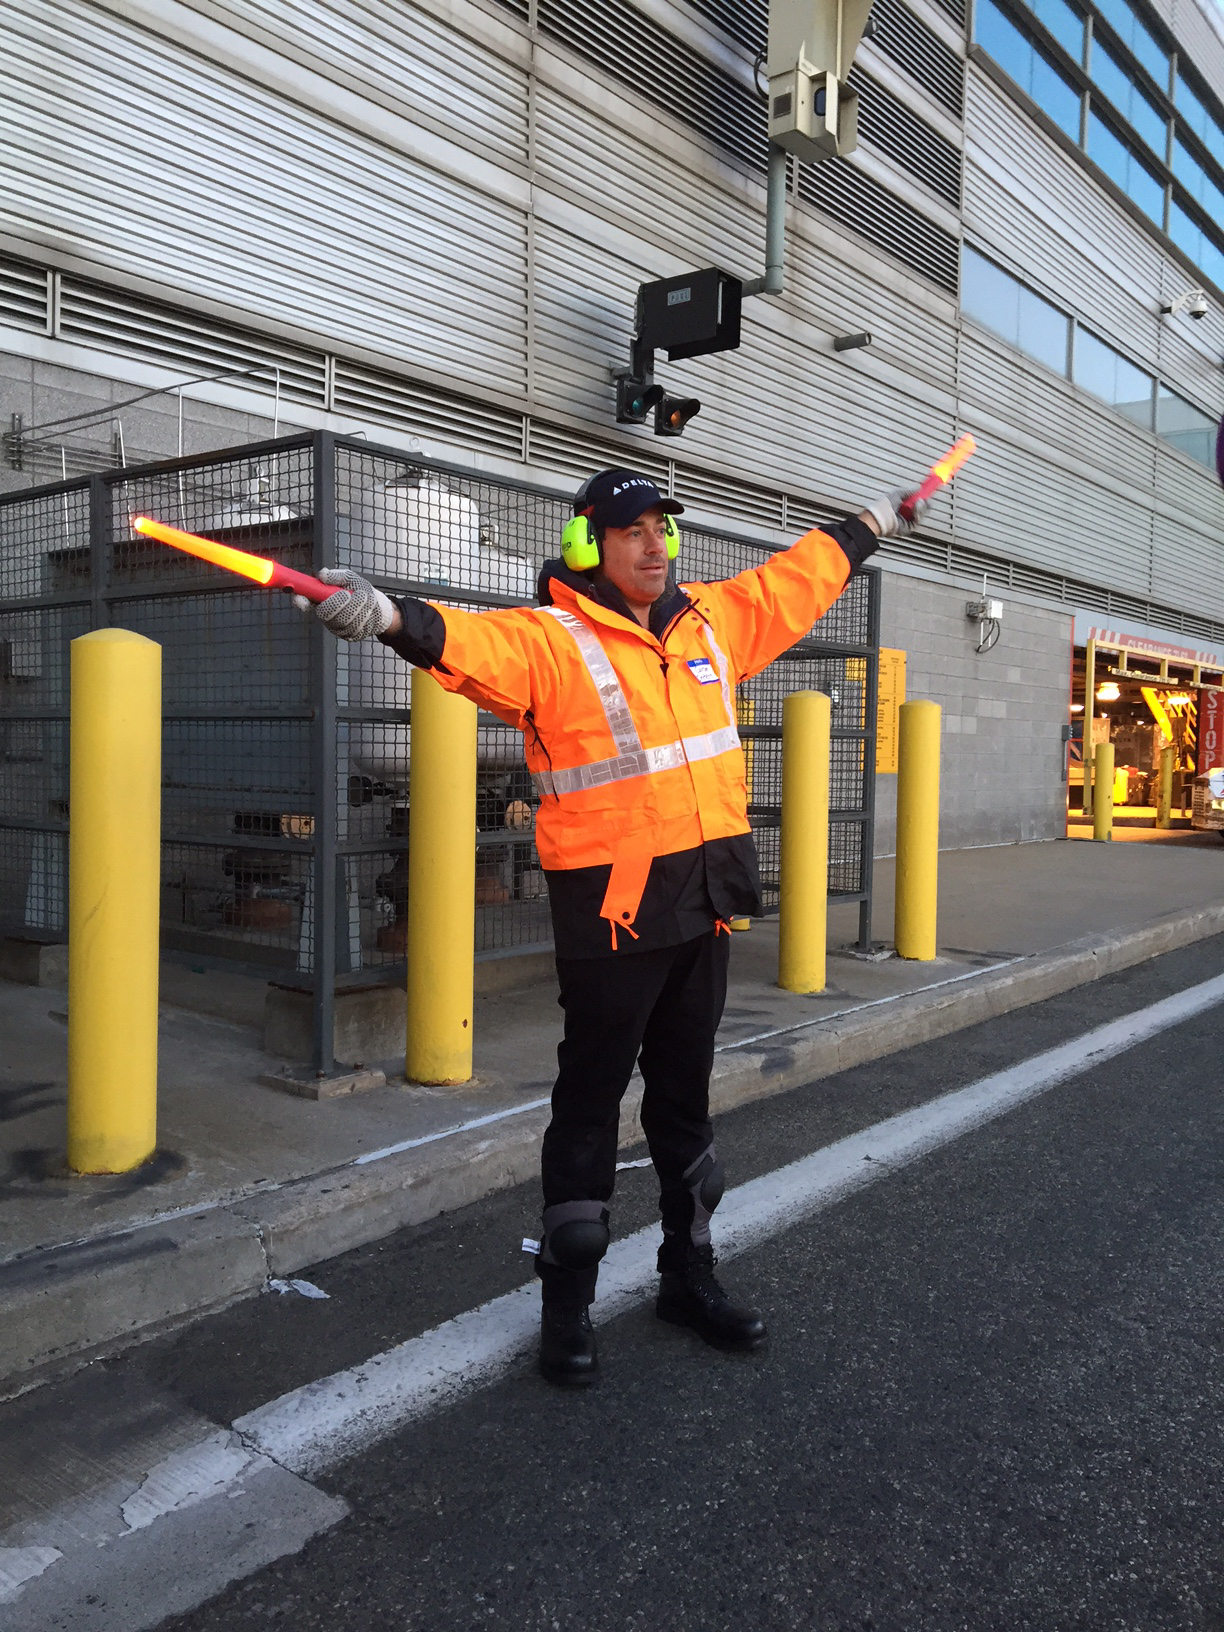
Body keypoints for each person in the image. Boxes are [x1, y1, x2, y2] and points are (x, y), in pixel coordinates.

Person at [302, 467, 925, 1387]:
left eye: (662, 530)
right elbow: (464, 641)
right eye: (632, 531)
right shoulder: (550, 643)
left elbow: (798, 579)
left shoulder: (709, 621)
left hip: (706, 905)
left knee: (685, 1108)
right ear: (590, 543)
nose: (654, 545)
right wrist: (388, 615)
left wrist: (876, 518)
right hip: (612, 917)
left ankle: (690, 1278)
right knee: (589, 1110)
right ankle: (567, 1308)